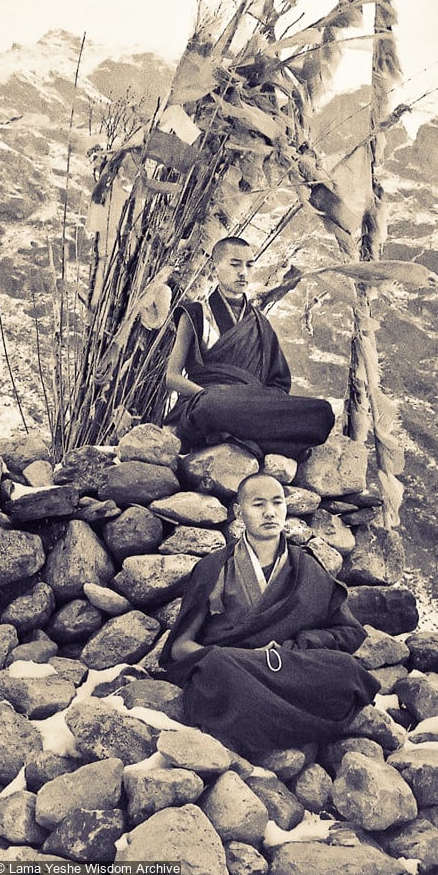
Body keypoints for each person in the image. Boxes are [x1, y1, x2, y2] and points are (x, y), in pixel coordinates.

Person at [160, 473, 379, 755]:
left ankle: (258, 722)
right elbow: (180, 647)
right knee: (218, 666)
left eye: (277, 503)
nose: (270, 513)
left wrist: (298, 646)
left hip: (287, 664)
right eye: (258, 505)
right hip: (238, 668)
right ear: (239, 512)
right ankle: (296, 727)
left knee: (346, 670)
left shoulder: (305, 567)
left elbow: (349, 632)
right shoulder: (213, 567)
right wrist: (244, 658)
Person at [163, 237, 334, 460]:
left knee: (322, 412)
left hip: (250, 404)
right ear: (215, 269)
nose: (243, 272)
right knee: (212, 406)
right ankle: (266, 441)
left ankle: (234, 436)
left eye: (249, 265)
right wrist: (206, 394)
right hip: (208, 401)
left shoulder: (260, 323)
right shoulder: (194, 314)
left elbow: (279, 383)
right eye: (235, 265)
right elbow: (171, 377)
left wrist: (256, 400)